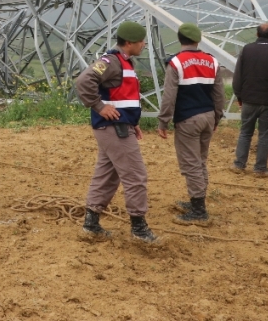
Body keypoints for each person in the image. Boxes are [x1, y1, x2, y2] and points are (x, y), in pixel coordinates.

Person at [75, 21, 158, 244]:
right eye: (141, 42)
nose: (143, 45)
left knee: (107, 175)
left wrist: (133, 121)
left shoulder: (124, 63)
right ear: (129, 42)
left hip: (120, 126)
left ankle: (91, 225)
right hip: (114, 129)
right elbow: (84, 81)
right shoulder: (111, 61)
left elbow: (123, 97)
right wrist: (99, 106)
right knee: (135, 175)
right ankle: (139, 230)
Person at [157, 23, 224, 226]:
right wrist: (217, 118)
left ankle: (198, 210)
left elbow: (169, 96)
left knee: (191, 163)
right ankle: (198, 201)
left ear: (180, 39)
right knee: (200, 161)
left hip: (188, 119)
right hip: (208, 116)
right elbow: (219, 94)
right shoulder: (212, 61)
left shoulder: (176, 63)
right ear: (198, 40)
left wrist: (163, 121)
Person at [232, 23, 268, 177]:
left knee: (245, 132)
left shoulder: (246, 50)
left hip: (249, 99)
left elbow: (237, 76)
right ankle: (260, 168)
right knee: (265, 135)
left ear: (257, 35)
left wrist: (239, 96)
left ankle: (239, 164)